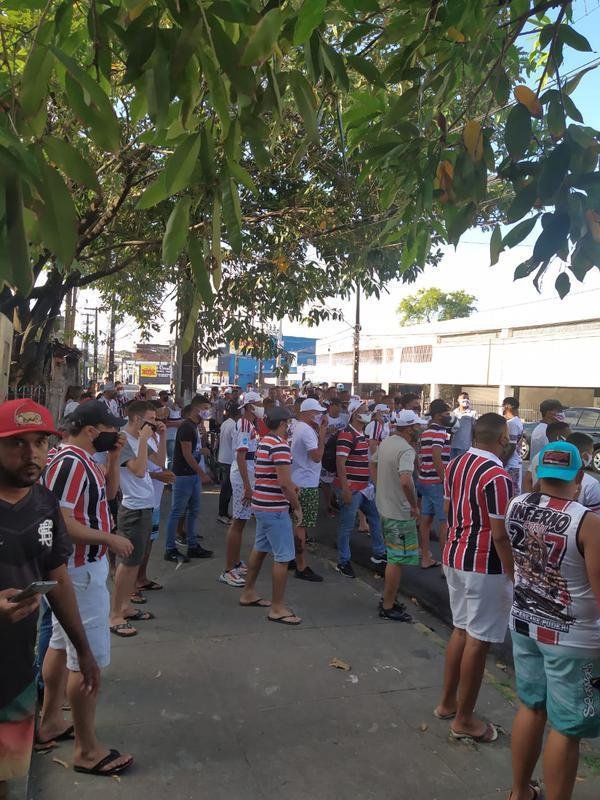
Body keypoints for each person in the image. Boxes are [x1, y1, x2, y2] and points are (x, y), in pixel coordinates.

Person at [0, 400, 101, 793]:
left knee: (8, 775)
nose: (32, 454)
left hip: (16, 673)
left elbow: (56, 575)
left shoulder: (43, 503)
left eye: (40, 442)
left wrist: (84, 649)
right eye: (17, 443)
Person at [40, 400, 134, 776]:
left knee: (61, 647)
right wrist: (109, 539)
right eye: (109, 429)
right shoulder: (71, 462)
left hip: (79, 570)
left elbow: (108, 497)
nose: (114, 433)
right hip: (79, 572)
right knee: (86, 659)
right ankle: (86, 749)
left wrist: (114, 459)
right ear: (92, 429)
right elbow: (62, 523)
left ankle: (50, 722)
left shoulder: (83, 460)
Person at [505, 441, 600, 800]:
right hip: (574, 640)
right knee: (566, 728)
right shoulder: (587, 523)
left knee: (531, 707)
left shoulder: (517, 505)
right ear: (578, 477)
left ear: (537, 474)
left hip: (525, 623)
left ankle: (519, 792)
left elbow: (502, 539)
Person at [434, 413, 514, 743]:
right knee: (477, 641)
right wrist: (513, 571)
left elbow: (450, 512)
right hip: (484, 564)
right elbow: (499, 534)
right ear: (502, 438)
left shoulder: (456, 465)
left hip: (455, 555)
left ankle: (448, 703)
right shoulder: (498, 476)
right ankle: (464, 719)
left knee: (462, 629)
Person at [239, 406, 303, 624]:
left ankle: (248, 592)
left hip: (261, 504)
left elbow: (273, 476)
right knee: (283, 557)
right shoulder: (281, 446)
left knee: (260, 548)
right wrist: (297, 507)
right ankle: (277, 607)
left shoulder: (265, 441)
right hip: (275, 508)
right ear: (284, 423)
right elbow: (284, 483)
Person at [109, 400, 166, 637]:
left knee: (135, 561)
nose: (153, 423)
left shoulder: (140, 439)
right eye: (150, 419)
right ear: (136, 419)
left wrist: (160, 437)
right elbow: (140, 470)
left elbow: (160, 462)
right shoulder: (124, 440)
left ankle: (124, 606)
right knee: (128, 563)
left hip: (145, 505)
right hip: (132, 508)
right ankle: (115, 615)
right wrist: (143, 439)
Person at [372, 410, 426, 621]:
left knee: (394, 556)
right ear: (410, 428)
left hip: (385, 507)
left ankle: (389, 599)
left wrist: (379, 486)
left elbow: (373, 462)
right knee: (396, 559)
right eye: (417, 426)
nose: (420, 429)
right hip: (399, 513)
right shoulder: (406, 450)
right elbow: (405, 480)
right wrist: (414, 506)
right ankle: (387, 605)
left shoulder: (387, 442)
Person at [335, 399, 387, 578]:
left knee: (374, 518)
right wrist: (346, 489)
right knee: (347, 526)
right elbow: (340, 463)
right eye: (365, 410)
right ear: (356, 414)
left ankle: (380, 554)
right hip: (353, 488)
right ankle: (343, 561)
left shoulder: (360, 434)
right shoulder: (347, 435)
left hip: (364, 488)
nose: (368, 413)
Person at [218, 392, 262, 587]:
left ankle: (234, 563)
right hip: (243, 477)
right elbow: (241, 457)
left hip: (247, 475)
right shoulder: (245, 425)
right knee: (238, 522)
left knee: (241, 522)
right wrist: (247, 486)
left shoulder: (249, 424)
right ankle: (229, 570)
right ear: (251, 406)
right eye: (259, 403)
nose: (262, 407)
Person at [164, 395, 213, 562]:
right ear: (196, 409)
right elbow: (186, 454)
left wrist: (202, 450)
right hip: (184, 475)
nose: (208, 412)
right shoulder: (186, 427)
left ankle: (192, 545)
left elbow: (194, 451)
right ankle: (170, 548)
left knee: (193, 511)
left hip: (192, 476)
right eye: (205, 408)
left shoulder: (195, 427)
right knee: (177, 512)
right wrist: (202, 473)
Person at [290, 398, 327, 582]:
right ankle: (301, 565)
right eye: (316, 412)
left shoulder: (299, 427)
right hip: (306, 483)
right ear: (307, 413)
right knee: (301, 525)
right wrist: (322, 435)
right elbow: (316, 457)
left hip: (300, 481)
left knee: (297, 523)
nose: (319, 416)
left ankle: (293, 559)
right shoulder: (307, 431)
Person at [417, 399, 452, 569]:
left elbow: (422, 455)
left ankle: (425, 557)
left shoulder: (425, 432)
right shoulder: (441, 433)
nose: (449, 417)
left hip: (425, 480)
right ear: (438, 415)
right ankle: (446, 566)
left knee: (426, 521)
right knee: (444, 523)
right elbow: (437, 454)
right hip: (437, 483)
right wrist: (445, 479)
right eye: (447, 414)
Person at [523, 421, 572, 493]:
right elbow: (529, 480)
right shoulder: (558, 458)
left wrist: (530, 498)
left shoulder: (540, 454)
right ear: (559, 438)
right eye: (569, 436)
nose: (571, 440)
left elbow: (527, 479)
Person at [216, 401, 239, 525]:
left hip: (223, 458)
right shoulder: (234, 426)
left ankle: (224, 513)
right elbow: (235, 443)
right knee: (227, 489)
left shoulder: (226, 423)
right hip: (229, 460)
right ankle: (222, 514)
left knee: (226, 489)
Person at [567, 432, 600, 514]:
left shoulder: (548, 475)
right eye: (591, 453)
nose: (592, 456)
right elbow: (596, 518)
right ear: (585, 455)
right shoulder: (591, 484)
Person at [502, 396, 524, 495]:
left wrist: (503, 462)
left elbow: (511, 446)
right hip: (514, 462)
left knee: (511, 493)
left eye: (503, 406)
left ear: (507, 406)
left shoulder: (512, 424)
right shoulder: (516, 421)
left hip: (511, 464)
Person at [450, 392, 477, 458]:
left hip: (465, 446)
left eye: (467, 398)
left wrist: (474, 446)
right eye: (464, 398)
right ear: (458, 400)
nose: (466, 400)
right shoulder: (454, 412)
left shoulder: (472, 413)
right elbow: (451, 430)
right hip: (453, 445)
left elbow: (474, 430)